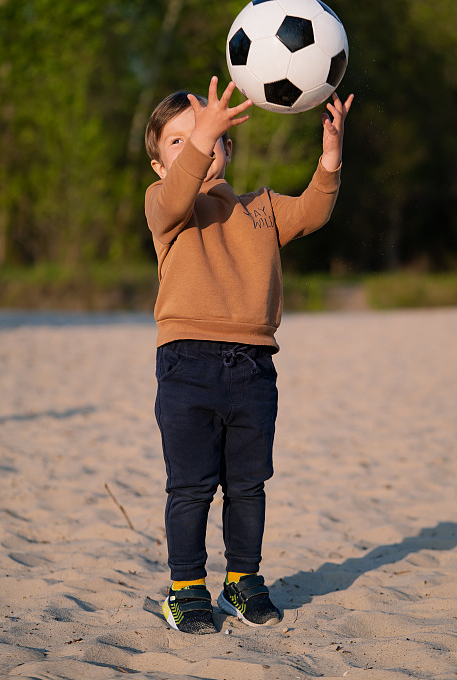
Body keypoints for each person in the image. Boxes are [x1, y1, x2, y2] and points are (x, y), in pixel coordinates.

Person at [145, 76, 353, 634]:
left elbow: (313, 211)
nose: (199, 144)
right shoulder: (166, 206)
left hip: (253, 367)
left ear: (229, 147)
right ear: (161, 166)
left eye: (211, 135)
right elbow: (175, 197)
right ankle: (185, 588)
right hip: (187, 364)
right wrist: (201, 135)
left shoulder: (259, 209)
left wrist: (329, 160)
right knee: (190, 485)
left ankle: (243, 580)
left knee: (247, 485)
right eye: (179, 141)